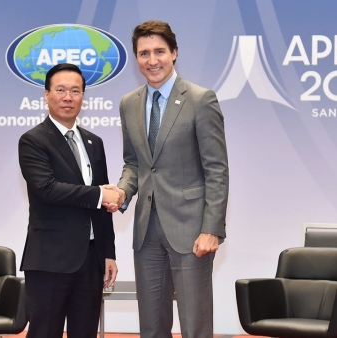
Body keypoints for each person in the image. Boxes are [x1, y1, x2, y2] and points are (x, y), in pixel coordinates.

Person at [107, 20, 229, 338]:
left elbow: (217, 169)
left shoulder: (201, 99)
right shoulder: (128, 103)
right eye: (144, 53)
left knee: (194, 325)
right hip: (147, 231)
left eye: (159, 51)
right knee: (151, 325)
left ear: (174, 53)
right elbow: (134, 163)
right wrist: (122, 192)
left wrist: (212, 228)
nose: (152, 60)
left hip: (191, 230)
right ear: (136, 58)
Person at [18, 63, 119, 338]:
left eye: (75, 91)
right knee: (44, 332)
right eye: (60, 90)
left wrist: (108, 252)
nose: (68, 97)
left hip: (90, 259)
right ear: (47, 94)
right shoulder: (33, 140)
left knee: (85, 333)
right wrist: (99, 194)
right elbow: (46, 189)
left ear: (83, 97)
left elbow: (102, 208)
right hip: (50, 259)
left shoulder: (93, 142)